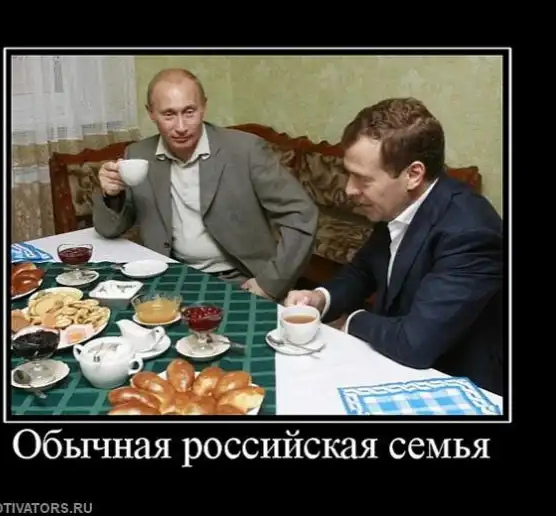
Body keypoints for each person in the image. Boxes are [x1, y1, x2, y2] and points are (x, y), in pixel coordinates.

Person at [284, 97, 504, 396]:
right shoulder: (397, 203)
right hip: (396, 357)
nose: (349, 189)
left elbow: (415, 344)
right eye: (349, 174)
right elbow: (363, 270)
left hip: (456, 382)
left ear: (413, 174)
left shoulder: (471, 233)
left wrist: (350, 321)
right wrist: (320, 298)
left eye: (363, 179)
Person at [92, 68, 318, 302]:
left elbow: (301, 214)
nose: (181, 126)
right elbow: (109, 230)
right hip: (170, 276)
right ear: (151, 113)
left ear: (204, 107)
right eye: (169, 114)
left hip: (240, 278)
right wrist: (111, 195)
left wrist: (270, 283)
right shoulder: (138, 155)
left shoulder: (246, 150)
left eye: (189, 111)